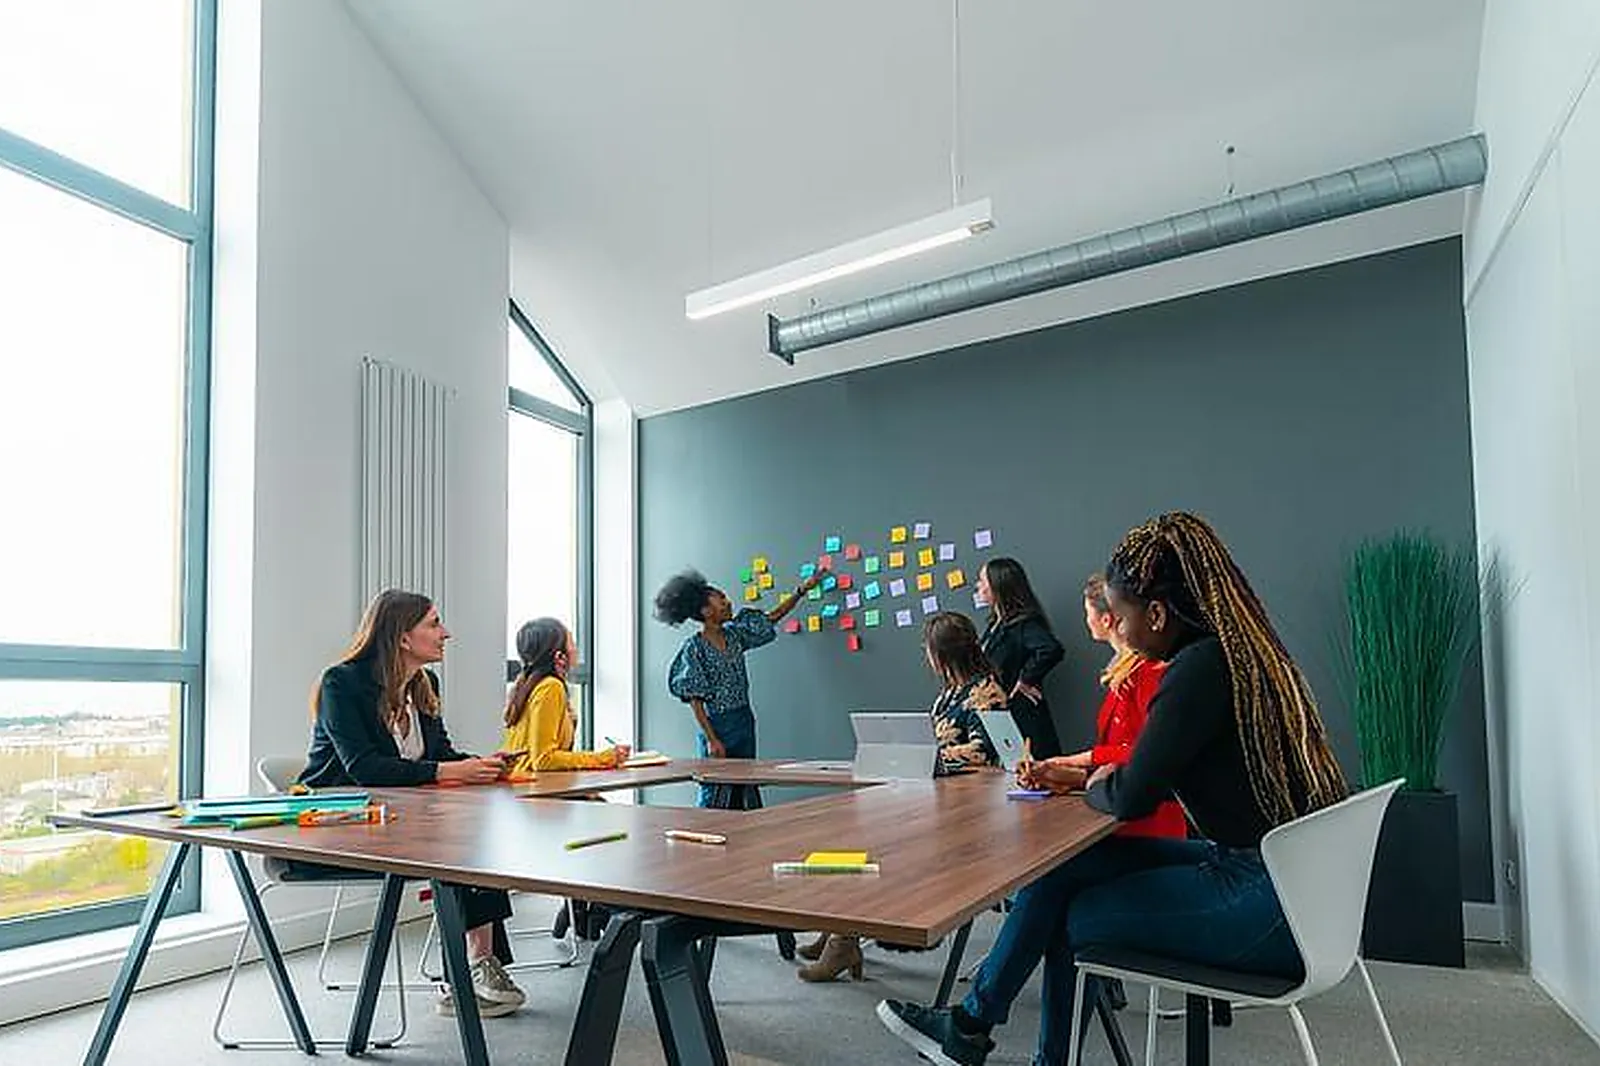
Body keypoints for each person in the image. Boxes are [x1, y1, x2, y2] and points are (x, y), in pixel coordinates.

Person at [878, 512, 1349, 1066]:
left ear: (1155, 612)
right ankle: (968, 1029)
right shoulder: (1240, 656)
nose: (1117, 630)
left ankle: (996, 1041)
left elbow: (1130, 795)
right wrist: (1106, 779)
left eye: (1120, 616)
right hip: (1291, 885)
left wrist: (1097, 781)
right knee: (1062, 871)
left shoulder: (1196, 670)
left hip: (1264, 899)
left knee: (1072, 915)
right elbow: (1149, 781)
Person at [298, 589, 527, 1019]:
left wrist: (481, 764)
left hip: (401, 821)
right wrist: (449, 773)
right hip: (336, 827)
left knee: (478, 832)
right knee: (464, 841)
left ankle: (475, 967)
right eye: (435, 624)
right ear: (403, 637)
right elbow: (364, 767)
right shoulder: (341, 683)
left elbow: (437, 754)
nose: (447, 634)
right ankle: (471, 970)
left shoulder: (424, 685)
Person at [796, 612, 1002, 983]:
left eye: (928, 649)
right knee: (858, 830)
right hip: (934, 796)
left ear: (941, 654)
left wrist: (929, 757)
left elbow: (984, 753)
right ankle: (840, 927)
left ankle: (843, 939)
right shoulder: (950, 693)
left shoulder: (986, 691)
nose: (926, 655)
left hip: (965, 810)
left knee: (880, 842)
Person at [1027, 573, 1187, 839]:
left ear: (1106, 619)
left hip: (1148, 821)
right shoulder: (1122, 673)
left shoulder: (1147, 672)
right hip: (1121, 812)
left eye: (1087, 612)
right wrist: (1073, 773)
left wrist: (1080, 760)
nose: (1086, 620)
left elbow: (1147, 751)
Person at [656, 566, 823, 809]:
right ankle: (711, 832)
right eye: (721, 600)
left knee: (746, 781)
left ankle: (746, 836)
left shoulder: (736, 635)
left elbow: (772, 617)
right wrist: (712, 740)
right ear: (706, 611)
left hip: (743, 720)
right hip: (717, 725)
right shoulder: (695, 648)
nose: (727, 602)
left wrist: (801, 591)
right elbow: (696, 700)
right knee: (716, 785)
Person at [502, 617, 628, 774]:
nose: (575, 649)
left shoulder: (529, 686)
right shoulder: (550, 687)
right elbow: (544, 759)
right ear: (559, 655)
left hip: (526, 787)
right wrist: (605, 758)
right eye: (571, 643)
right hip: (535, 791)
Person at [976, 558, 1065, 758]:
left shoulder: (1022, 623)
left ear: (998, 585)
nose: (978, 586)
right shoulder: (995, 624)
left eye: (983, 580)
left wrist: (1026, 678)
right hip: (1002, 715)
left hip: (1023, 716)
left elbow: (1051, 648)